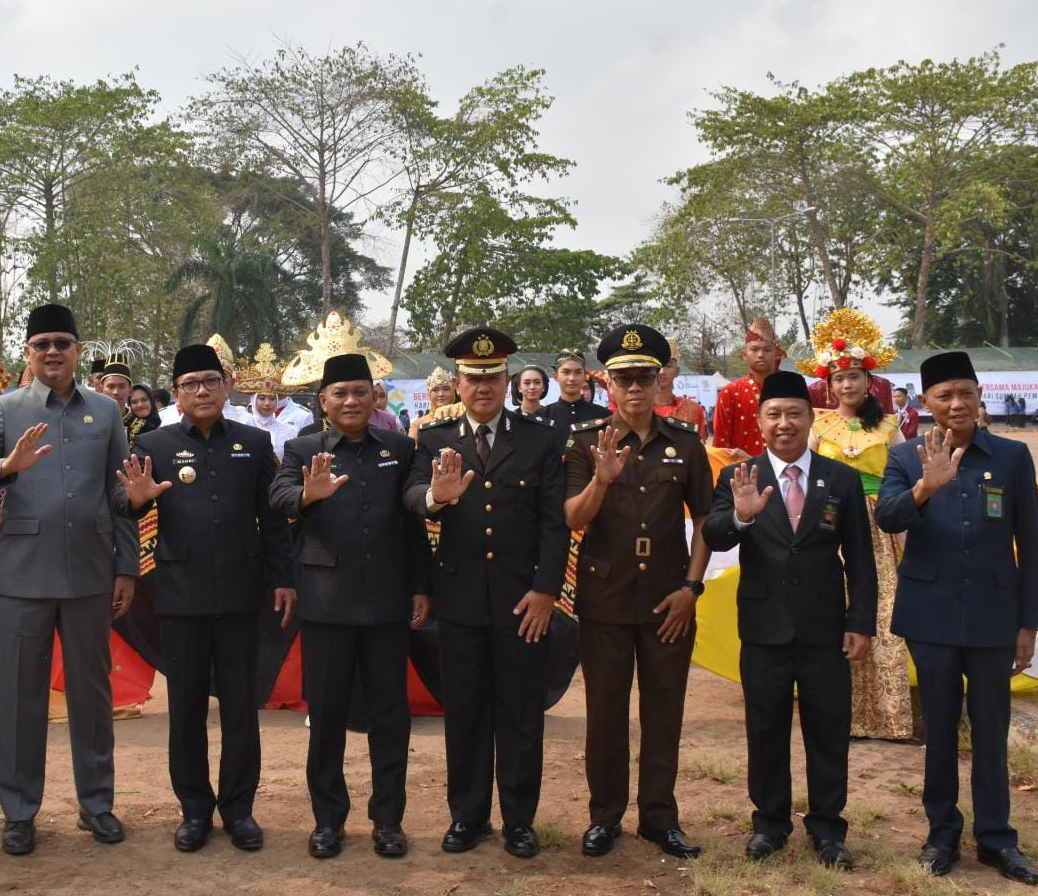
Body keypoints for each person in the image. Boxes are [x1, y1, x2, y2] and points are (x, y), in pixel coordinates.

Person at [0, 304, 139, 856]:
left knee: (93, 696)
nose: (52, 351)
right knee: (20, 698)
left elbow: (121, 494)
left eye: (62, 342)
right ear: (27, 354)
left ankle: (97, 804)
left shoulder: (105, 412)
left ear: (78, 350)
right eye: (41, 344)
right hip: (24, 577)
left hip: (90, 575)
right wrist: (5, 467)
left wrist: (126, 566)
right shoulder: (4, 410)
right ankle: (19, 811)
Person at [876, 351, 1038, 885]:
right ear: (926, 403)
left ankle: (997, 839)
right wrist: (927, 486)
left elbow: (1031, 543)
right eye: (943, 395)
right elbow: (887, 517)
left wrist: (1029, 623)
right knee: (942, 731)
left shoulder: (1013, 456)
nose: (956, 404)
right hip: (931, 618)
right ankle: (941, 834)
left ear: (979, 397)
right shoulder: (905, 456)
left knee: (992, 730)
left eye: (964, 393)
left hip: (996, 617)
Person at [118, 343, 295, 853]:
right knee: (187, 709)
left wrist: (283, 578)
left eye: (210, 382)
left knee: (241, 708)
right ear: (176, 393)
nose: (201, 391)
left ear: (226, 386)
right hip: (180, 596)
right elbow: (120, 500)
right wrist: (133, 499)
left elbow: (275, 520)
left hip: (243, 595)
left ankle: (240, 811)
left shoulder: (255, 442)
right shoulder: (155, 442)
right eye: (191, 384)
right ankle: (194, 810)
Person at [404, 326, 568, 859]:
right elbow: (409, 501)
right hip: (460, 600)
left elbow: (552, 523)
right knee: (467, 713)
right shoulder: (432, 439)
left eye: (493, 377)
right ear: (457, 382)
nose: (483, 388)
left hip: (524, 605)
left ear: (508, 380)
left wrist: (547, 590)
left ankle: (519, 821)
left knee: (521, 713)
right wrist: (434, 495)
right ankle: (467, 817)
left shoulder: (540, 438)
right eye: (473, 379)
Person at [704, 371, 876, 869]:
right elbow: (716, 535)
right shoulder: (740, 476)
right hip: (764, 628)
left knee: (828, 729)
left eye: (794, 414)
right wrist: (740, 515)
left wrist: (860, 621)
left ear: (810, 418)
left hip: (826, 630)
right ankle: (770, 823)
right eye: (774, 415)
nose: (784, 424)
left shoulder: (839, 478)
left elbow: (860, 559)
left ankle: (828, 827)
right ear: (759, 422)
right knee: (765, 729)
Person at [270, 352, 429, 859]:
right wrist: (307, 497)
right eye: (340, 393)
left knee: (390, 717)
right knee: (328, 716)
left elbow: (413, 521)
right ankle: (328, 822)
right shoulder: (301, 448)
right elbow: (278, 498)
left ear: (373, 396)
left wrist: (421, 586)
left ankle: (388, 821)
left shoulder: (401, 449)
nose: (351, 401)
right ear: (323, 402)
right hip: (326, 605)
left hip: (386, 603)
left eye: (360, 391)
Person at [564, 324, 712, 861]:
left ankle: (659, 818)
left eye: (644, 378)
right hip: (606, 599)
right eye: (624, 379)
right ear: (608, 384)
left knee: (664, 710)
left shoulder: (687, 446)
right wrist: (601, 480)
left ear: (659, 380)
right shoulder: (586, 443)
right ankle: (604, 817)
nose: (635, 389)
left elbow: (707, 523)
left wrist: (692, 588)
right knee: (605, 712)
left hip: (668, 601)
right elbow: (572, 519)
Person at [802, 310, 912, 740]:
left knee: (884, 614)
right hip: (829, 521)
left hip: (879, 523)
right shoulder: (819, 423)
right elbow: (806, 473)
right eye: (838, 379)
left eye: (853, 377)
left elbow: (903, 478)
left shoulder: (889, 426)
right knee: (832, 608)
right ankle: (835, 713)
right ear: (828, 386)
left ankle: (887, 717)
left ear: (869, 382)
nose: (846, 385)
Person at [713, 317, 784, 458]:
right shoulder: (730, 392)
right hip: (741, 474)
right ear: (744, 355)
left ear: (777, 354)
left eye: (767, 350)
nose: (761, 355)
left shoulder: (790, 388)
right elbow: (721, 446)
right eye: (754, 349)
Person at [237, 343, 299, 459]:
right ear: (253, 400)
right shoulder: (240, 429)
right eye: (261, 398)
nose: (267, 403)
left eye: (272, 399)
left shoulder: (290, 432)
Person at [540, 348, 611, 439]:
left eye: (578, 372)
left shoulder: (604, 416)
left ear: (584, 376)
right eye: (566, 372)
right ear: (556, 376)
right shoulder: (542, 416)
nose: (572, 378)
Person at [653, 340, 707, 437]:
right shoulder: (638, 409)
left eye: (668, 366)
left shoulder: (693, 409)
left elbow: (699, 449)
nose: (662, 371)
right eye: (657, 366)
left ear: (677, 371)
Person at [409, 366, 460, 438]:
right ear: (428, 393)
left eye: (446, 389)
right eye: (435, 390)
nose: (441, 394)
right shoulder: (418, 424)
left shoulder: (463, 418)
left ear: (453, 391)